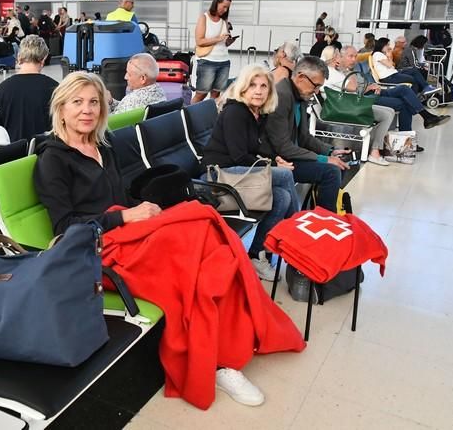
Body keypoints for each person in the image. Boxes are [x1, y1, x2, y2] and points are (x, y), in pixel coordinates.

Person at [34, 71, 305, 409]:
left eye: (93, 102)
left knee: (210, 237)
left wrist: (141, 210)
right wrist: (124, 216)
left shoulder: (103, 146)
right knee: (194, 255)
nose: (86, 110)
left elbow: (120, 198)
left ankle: (236, 337)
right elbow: (65, 227)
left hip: (129, 234)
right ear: (61, 109)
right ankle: (218, 363)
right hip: (98, 250)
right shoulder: (53, 160)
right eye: (77, 103)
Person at [203, 65, 299, 280]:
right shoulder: (236, 112)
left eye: (263, 86)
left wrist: (275, 160)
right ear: (243, 89)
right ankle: (299, 236)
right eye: (252, 85)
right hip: (218, 176)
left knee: (281, 197)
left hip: (238, 174)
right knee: (285, 175)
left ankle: (255, 256)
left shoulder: (257, 114)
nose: (258, 90)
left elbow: (256, 151)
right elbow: (239, 156)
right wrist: (273, 167)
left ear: (269, 91)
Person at [266, 56, 350, 212]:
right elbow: (283, 148)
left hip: (291, 156)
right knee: (332, 171)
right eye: (316, 86)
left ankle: (317, 213)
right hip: (280, 161)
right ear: (300, 77)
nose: (317, 91)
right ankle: (323, 222)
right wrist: (324, 159)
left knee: (340, 165)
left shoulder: (300, 96)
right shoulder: (281, 96)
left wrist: (330, 151)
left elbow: (304, 137)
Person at [341, 45, 448, 135]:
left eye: (355, 56)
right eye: (350, 56)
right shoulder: (341, 72)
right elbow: (352, 88)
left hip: (374, 91)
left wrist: (373, 85)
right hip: (366, 98)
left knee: (404, 88)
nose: (354, 59)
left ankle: (426, 116)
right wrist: (369, 87)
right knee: (404, 103)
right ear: (341, 57)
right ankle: (408, 135)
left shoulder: (354, 68)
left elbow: (362, 83)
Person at [320, 46, 393, 166]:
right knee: (386, 114)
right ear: (334, 58)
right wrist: (348, 71)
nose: (341, 58)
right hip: (345, 109)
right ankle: (375, 152)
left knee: (388, 112)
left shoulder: (331, 71)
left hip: (343, 106)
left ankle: (376, 150)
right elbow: (354, 88)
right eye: (339, 55)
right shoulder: (333, 73)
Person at [0, 35, 59, 141]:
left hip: (14, 154)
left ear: (19, 57)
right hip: (46, 152)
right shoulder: (56, 89)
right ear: (44, 59)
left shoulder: (1, 89)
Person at [192, 0, 234, 103]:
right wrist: (219, 38)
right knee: (201, 94)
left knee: (216, 94)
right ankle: (188, 117)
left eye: (227, 7)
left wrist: (229, 40)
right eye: (224, 6)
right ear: (216, 3)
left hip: (224, 61)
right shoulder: (204, 18)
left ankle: (211, 117)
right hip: (208, 61)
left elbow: (225, 43)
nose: (225, 10)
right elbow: (199, 41)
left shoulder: (224, 20)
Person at [372, 37, 437, 94]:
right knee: (413, 79)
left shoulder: (381, 54)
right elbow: (390, 65)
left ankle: (425, 88)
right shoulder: (378, 54)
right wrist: (388, 56)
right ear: (382, 45)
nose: (389, 47)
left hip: (394, 74)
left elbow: (392, 65)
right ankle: (414, 97)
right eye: (387, 45)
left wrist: (388, 56)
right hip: (389, 77)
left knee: (414, 71)